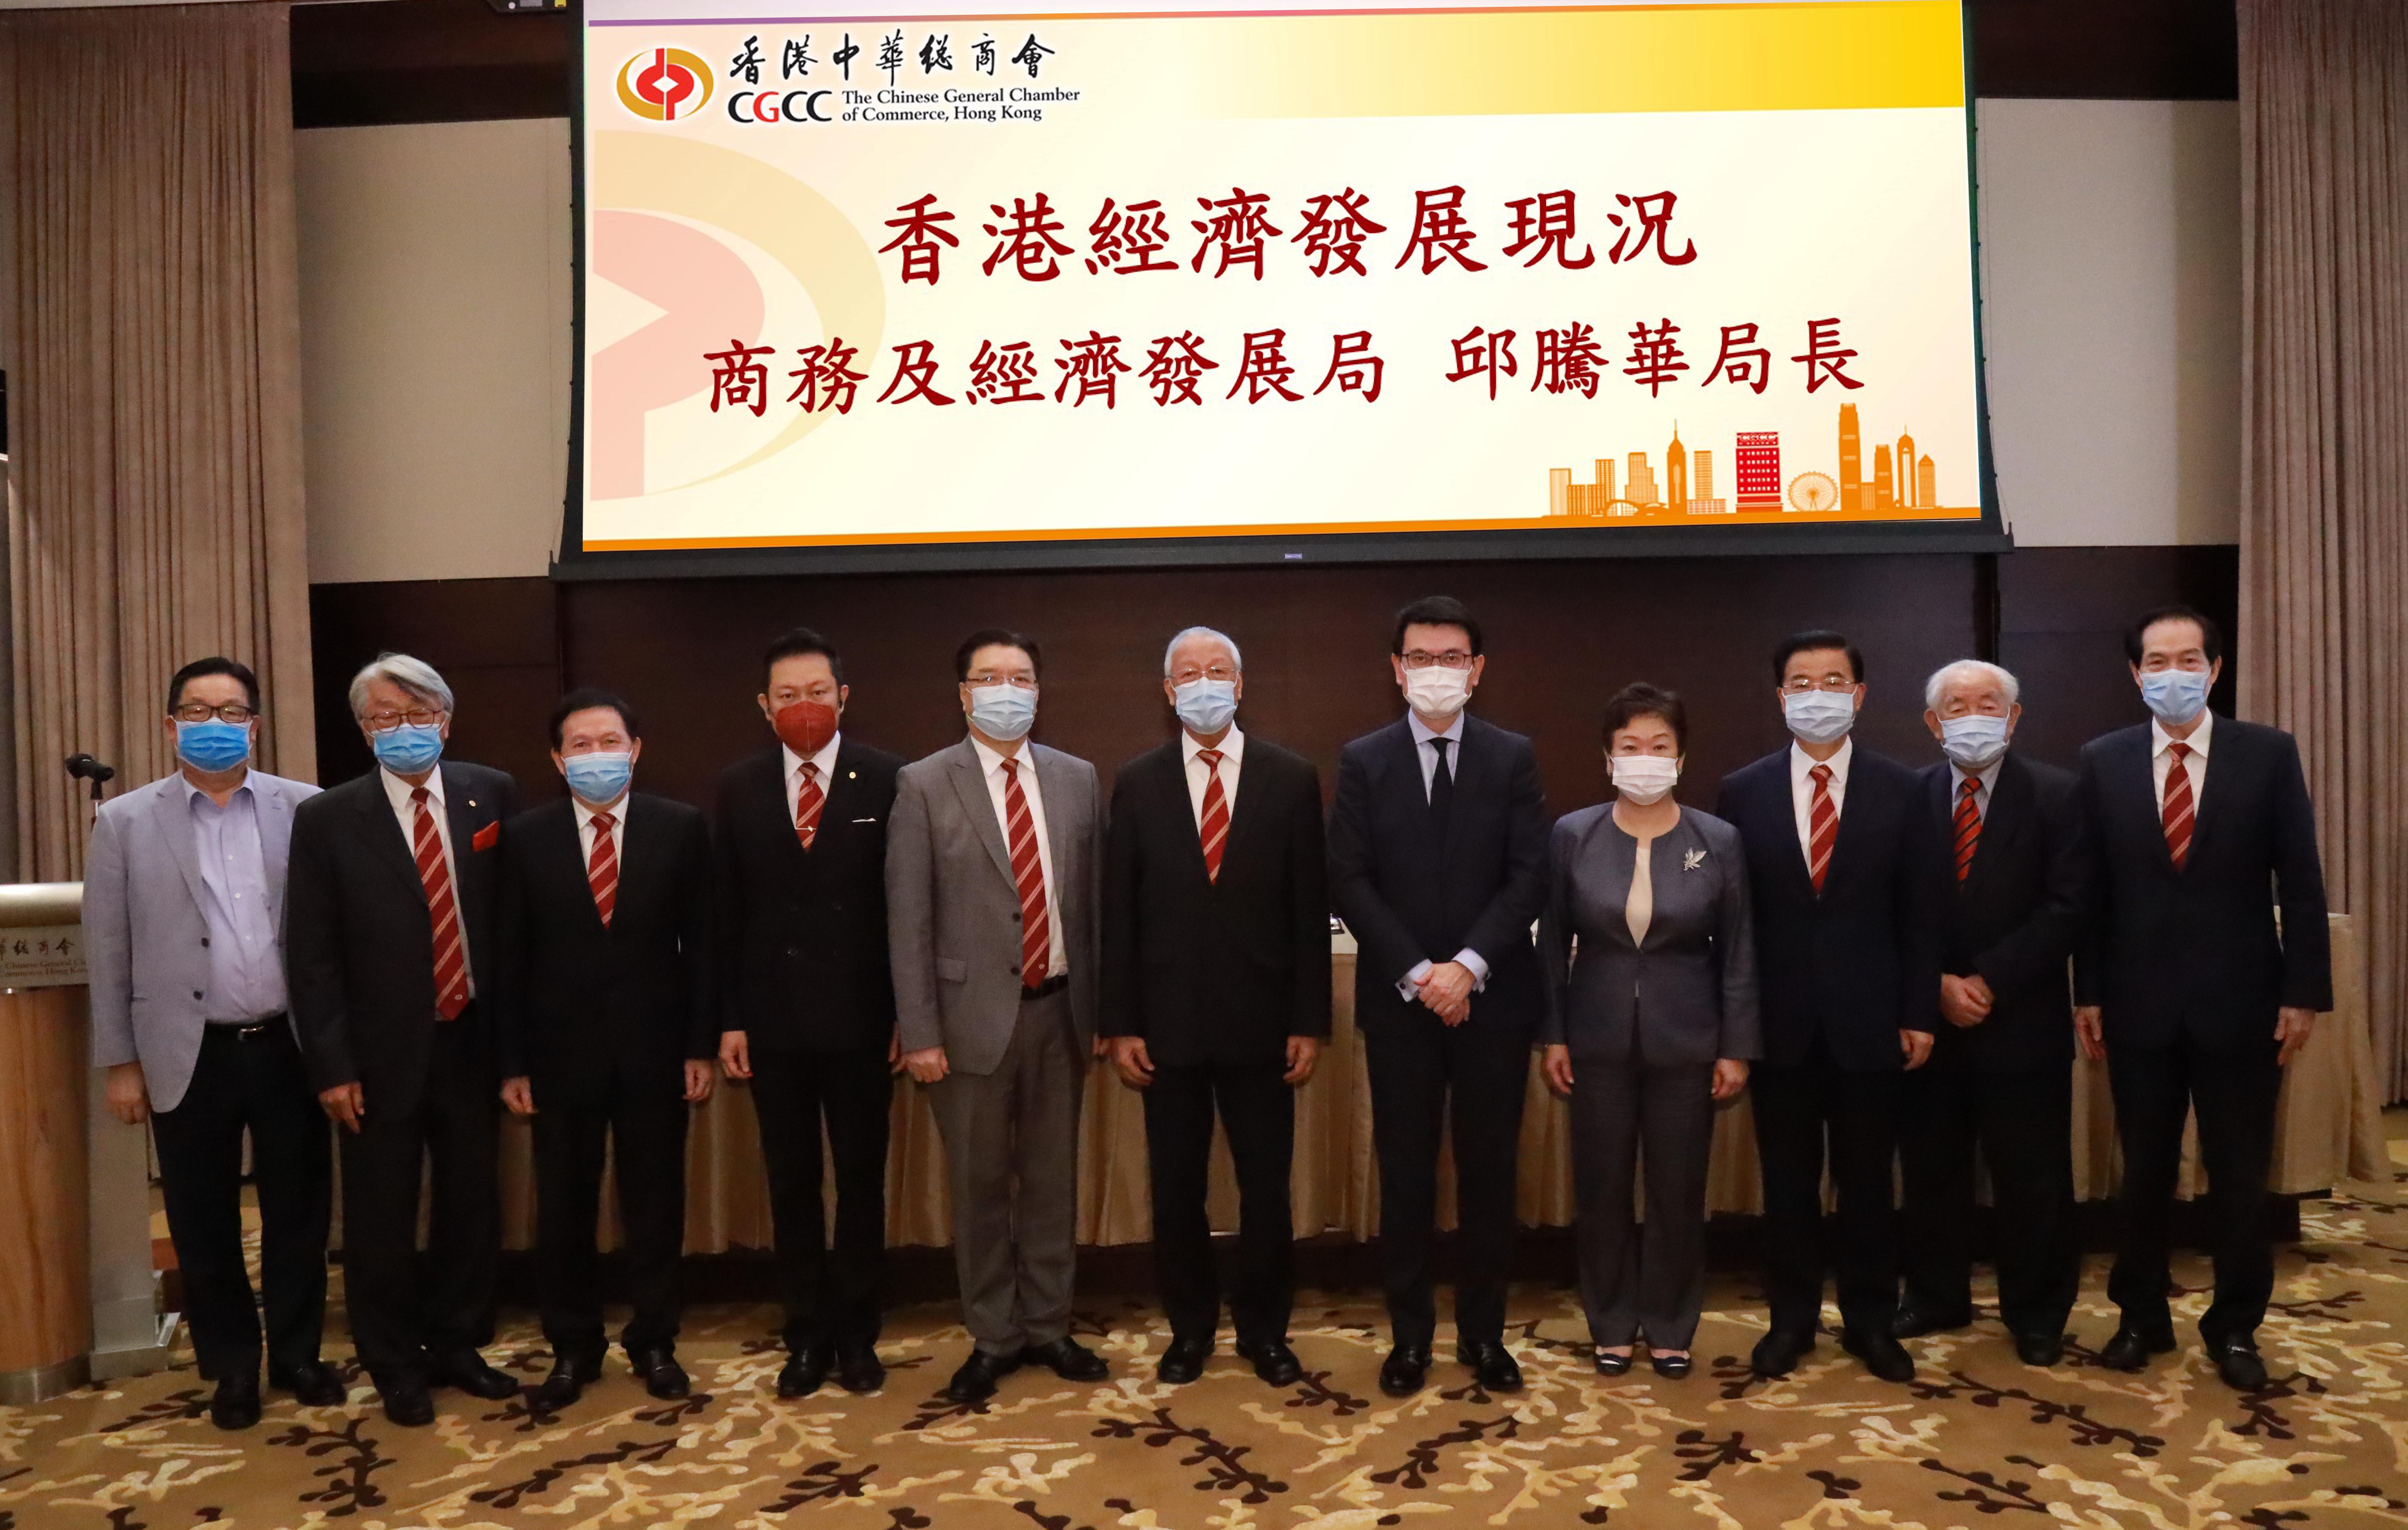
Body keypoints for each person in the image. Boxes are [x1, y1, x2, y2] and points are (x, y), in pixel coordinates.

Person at [83, 658, 344, 1430]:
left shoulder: (308, 808)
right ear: (171, 725)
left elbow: (332, 936)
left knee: (299, 1210)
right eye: (198, 711)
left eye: (231, 712)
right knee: (201, 1220)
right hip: (185, 1049)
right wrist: (121, 1061)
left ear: (255, 726)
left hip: (289, 1044)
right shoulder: (125, 822)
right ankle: (232, 1366)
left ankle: (297, 1355)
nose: (215, 725)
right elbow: (109, 949)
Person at [2075, 605, 2329, 1392]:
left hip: (2242, 1003)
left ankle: (2235, 1327)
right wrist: (2089, 991)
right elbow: (2091, 891)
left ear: (2215, 670)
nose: (2173, 674)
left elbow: (2300, 877)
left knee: (2239, 1177)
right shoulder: (2102, 760)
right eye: (2157, 661)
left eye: (2189, 660)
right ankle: (2139, 1317)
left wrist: (2303, 991)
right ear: (2134, 673)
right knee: (2143, 1173)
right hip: (2137, 1004)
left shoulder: (2267, 753)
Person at [287, 653, 519, 1426]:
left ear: (445, 722)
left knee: (470, 1206)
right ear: (364, 730)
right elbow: (311, 952)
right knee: (381, 1216)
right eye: (387, 717)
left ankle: (457, 1343)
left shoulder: (492, 793)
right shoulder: (326, 818)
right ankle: (393, 1363)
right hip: (376, 1054)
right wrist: (332, 1065)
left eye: (419, 714)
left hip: (472, 1039)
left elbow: (513, 922)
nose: (405, 728)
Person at [1328, 595, 1548, 1398]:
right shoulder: (1364, 759)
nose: (1435, 672)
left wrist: (1467, 967)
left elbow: (1529, 873)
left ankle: (1485, 1337)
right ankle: (1410, 1339)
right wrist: (1422, 973)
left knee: (1489, 1175)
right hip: (1402, 1004)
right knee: (1407, 1175)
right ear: (1396, 669)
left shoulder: (1512, 756)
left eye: (1451, 658)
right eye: (1419, 658)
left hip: (1492, 1000)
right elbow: (1349, 877)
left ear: (1476, 669)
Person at [1100, 626, 1331, 1387]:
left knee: (1266, 1192)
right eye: (1189, 673)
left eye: (1218, 669)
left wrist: (1308, 1020)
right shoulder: (1137, 781)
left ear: (1240, 683)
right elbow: (1119, 911)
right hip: (1165, 1027)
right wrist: (1120, 1022)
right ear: (1169, 692)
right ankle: (1190, 1330)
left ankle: (1265, 1332)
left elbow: (1308, 910)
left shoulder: (1289, 777)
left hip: (1264, 1024)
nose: (1204, 682)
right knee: (1176, 1191)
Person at [887, 629, 1110, 1403]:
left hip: (1061, 1013)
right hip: (966, 1023)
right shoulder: (922, 784)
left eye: (1020, 677)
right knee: (979, 1188)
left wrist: (1102, 1011)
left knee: (1052, 1182)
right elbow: (908, 919)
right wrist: (920, 1031)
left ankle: (1048, 1324)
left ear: (1039, 691)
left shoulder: (1079, 779)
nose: (1005, 691)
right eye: (988, 678)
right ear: (962, 694)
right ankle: (993, 1335)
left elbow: (1094, 907)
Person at [1713, 630, 1941, 1384]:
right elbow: (1734, 923)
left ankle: (1871, 1321)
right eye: (1802, 683)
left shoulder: (1904, 788)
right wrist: (1735, 1025)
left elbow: (1920, 914)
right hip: (1778, 1025)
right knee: (1786, 1186)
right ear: (1781, 697)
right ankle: (1791, 1321)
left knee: (1868, 1183)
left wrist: (1918, 1011)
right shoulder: (1741, 791)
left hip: (1871, 1022)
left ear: (1859, 695)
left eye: (1833, 681)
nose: (1818, 695)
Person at [497, 689, 716, 1409]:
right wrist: (513, 1061)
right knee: (564, 1208)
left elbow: (703, 947)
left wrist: (700, 1045)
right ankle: (573, 1345)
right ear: (558, 760)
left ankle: (655, 1341)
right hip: (559, 1056)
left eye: (610, 741)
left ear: (636, 749)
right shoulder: (525, 837)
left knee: (655, 1204)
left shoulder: (680, 827)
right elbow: (509, 956)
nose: (598, 755)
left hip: (657, 1049)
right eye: (581, 745)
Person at [1539, 684, 1757, 1380]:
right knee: (1601, 1188)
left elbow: (1739, 950)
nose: (1645, 758)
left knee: (1677, 1190)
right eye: (1630, 746)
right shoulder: (1573, 834)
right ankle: (1610, 1321)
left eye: (1659, 746)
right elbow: (1551, 946)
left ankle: (1669, 1324)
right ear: (1608, 757)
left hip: (1688, 1040)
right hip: (1595, 1038)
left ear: (1681, 757)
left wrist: (1736, 1045)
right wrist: (1554, 1034)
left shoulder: (1717, 839)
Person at [713, 628, 905, 1399]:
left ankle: (857, 1334)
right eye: (788, 695)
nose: (805, 706)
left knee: (860, 1180)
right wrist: (730, 1017)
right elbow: (725, 911)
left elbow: (904, 908)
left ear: (843, 697)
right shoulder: (738, 786)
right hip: (773, 1022)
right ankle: (805, 1334)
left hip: (864, 1021)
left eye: (817, 692)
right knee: (790, 1183)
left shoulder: (888, 779)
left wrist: (908, 1013)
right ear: (764, 706)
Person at [1898, 661, 2089, 1366]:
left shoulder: (2060, 793)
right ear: (1933, 722)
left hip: (2022, 1015)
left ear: (2013, 717)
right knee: (1931, 1169)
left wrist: (1989, 979)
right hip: (1930, 1018)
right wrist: (1938, 984)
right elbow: (1892, 905)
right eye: (1956, 705)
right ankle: (1935, 1295)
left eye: (1988, 703)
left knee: (2033, 1177)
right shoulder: (1907, 796)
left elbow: (2069, 905)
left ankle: (2037, 1312)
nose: (1971, 715)